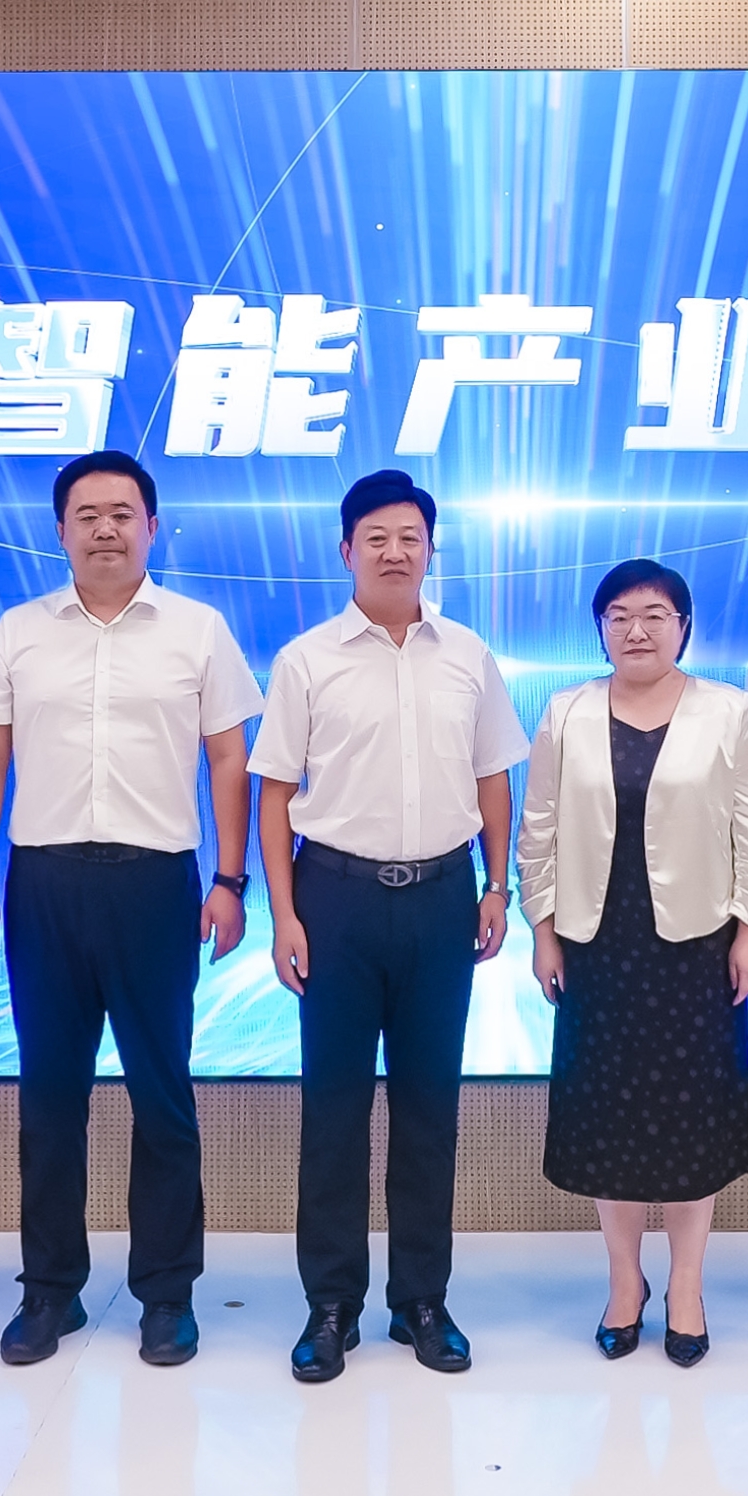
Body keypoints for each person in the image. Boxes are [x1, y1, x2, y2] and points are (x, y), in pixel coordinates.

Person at [0, 449, 260, 1368]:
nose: (104, 529)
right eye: (86, 515)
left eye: (122, 514)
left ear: (151, 527)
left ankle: (166, 1294)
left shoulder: (198, 631)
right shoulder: (19, 632)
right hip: (44, 885)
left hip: (155, 885)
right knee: (49, 1098)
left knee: (161, 1097)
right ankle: (49, 1290)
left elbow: (228, 760)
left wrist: (230, 880)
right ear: (59, 531)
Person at [250, 468, 527, 1384]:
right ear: (346, 550)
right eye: (376, 537)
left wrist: (497, 887)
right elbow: (275, 794)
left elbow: (493, 776)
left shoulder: (468, 655)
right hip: (335, 901)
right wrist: (283, 913)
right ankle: (330, 1305)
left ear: (431, 548)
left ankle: (421, 1301)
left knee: (428, 1110)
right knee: (332, 1110)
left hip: (443, 898)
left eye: (410, 536)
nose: (394, 551)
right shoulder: (306, 660)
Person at [523, 558, 748, 1368]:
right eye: (620, 615)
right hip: (598, 946)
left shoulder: (726, 711)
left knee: (691, 1124)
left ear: (683, 627)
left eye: (655, 614)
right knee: (610, 1123)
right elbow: (539, 828)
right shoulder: (565, 712)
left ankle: (687, 1287)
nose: (637, 629)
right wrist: (542, 929)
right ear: (600, 629)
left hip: (697, 946)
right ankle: (624, 1282)